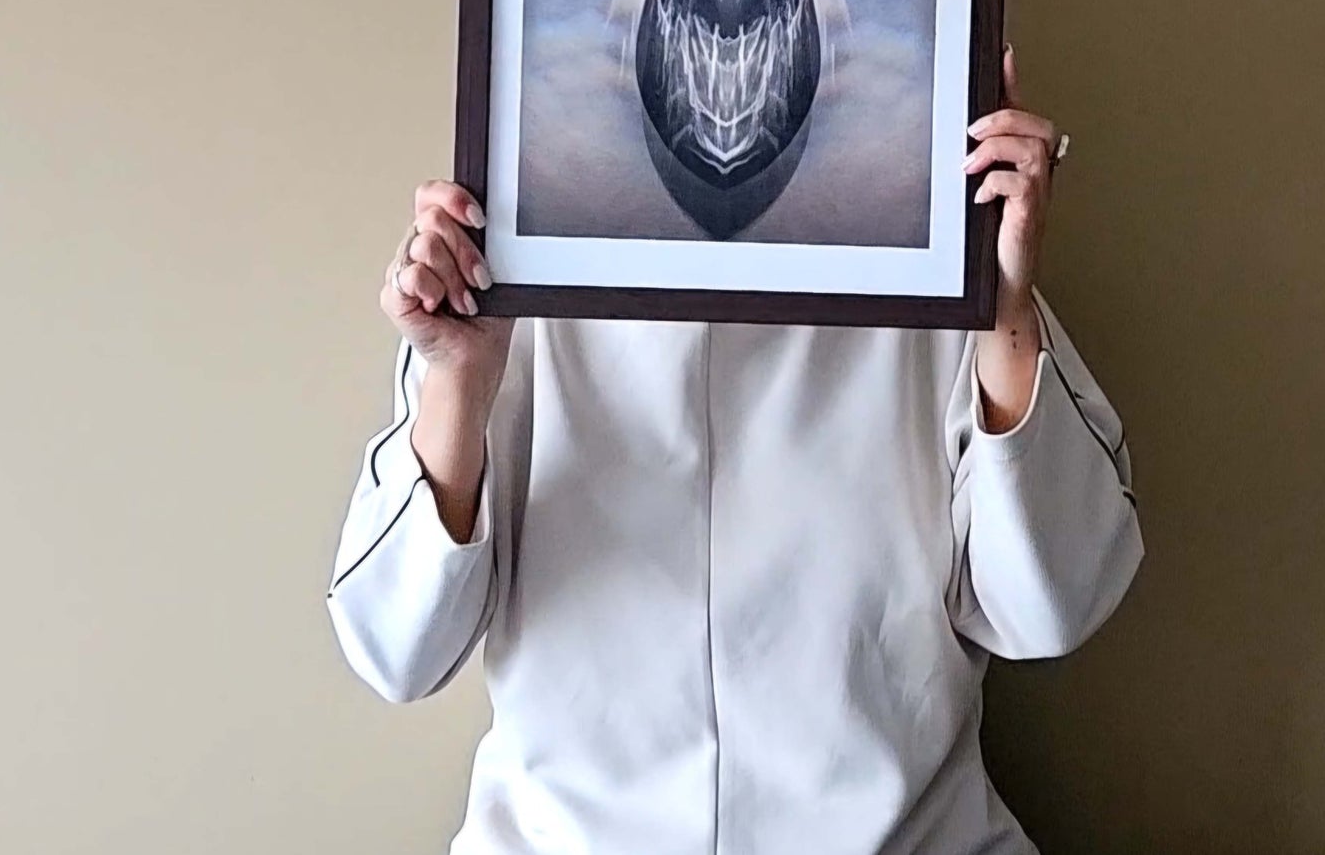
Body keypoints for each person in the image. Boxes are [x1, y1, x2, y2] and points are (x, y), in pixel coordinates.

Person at [325, 44, 1142, 854]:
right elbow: (398, 650)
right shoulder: (519, 277)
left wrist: (1002, 302)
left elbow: (1052, 606)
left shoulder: (926, 268)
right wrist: (459, 378)